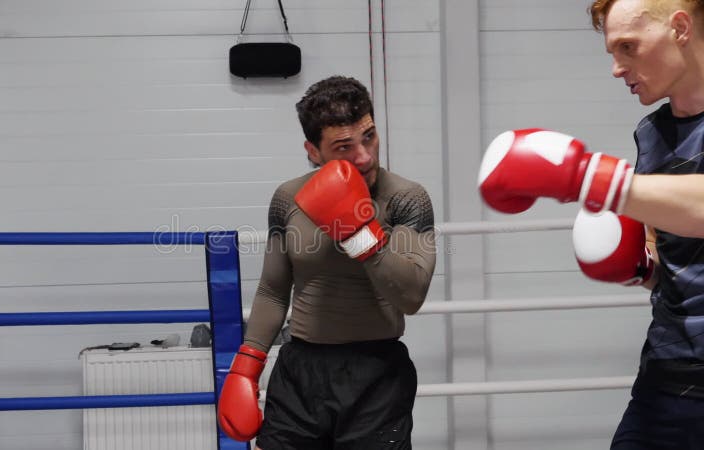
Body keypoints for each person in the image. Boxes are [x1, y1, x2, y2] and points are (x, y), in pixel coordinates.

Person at [476, 0, 704, 448]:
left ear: (679, 27)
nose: (617, 68)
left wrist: (587, 177)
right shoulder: (652, 134)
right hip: (667, 374)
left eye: (628, 47)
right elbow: (674, 253)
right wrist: (642, 270)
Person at [216, 75, 436, 449]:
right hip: (300, 372)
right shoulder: (288, 199)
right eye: (344, 146)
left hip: (375, 374)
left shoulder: (406, 199)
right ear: (313, 151)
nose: (364, 155)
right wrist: (246, 366)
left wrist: (358, 233)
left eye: (369, 136)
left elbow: (411, 295)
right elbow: (272, 291)